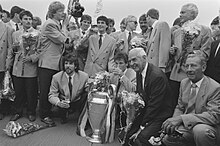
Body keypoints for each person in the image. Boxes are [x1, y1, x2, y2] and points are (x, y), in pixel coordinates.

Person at [162, 50, 220, 146]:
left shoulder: (215, 88)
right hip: (188, 126)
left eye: (193, 66)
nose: (189, 69)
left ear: (203, 67)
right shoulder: (184, 83)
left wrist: (182, 118)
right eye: (186, 66)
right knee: (168, 137)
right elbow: (180, 107)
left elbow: (213, 116)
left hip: (208, 127)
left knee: (200, 131)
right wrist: (173, 121)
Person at [123, 47, 174, 146]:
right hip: (148, 112)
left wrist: (141, 127)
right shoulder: (139, 71)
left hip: (160, 115)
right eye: (130, 61)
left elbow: (154, 106)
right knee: (128, 134)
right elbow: (140, 97)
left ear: (144, 57)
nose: (132, 64)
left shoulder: (156, 76)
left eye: (134, 59)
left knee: (140, 138)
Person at [169, 3, 212, 107]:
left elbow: (205, 54)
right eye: (180, 12)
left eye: (183, 12)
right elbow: (174, 56)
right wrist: (173, 52)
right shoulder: (177, 32)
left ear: (192, 14)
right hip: (176, 74)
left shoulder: (204, 31)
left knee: (189, 104)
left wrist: (192, 52)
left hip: (192, 74)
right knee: (174, 102)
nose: (180, 15)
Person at [38, 1, 69, 125]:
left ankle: (49, 111)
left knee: (53, 89)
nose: (64, 13)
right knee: (45, 90)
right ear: (53, 13)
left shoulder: (56, 24)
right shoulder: (50, 24)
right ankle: (44, 114)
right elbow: (63, 39)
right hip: (47, 63)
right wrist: (65, 25)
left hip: (54, 63)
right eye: (61, 11)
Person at [7, 10, 39, 122]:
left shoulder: (37, 34)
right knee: (19, 92)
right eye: (25, 19)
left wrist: (32, 58)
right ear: (21, 20)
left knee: (31, 92)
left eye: (30, 19)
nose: (28, 21)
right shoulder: (15, 34)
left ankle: (31, 112)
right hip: (17, 67)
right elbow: (11, 50)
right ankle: (17, 111)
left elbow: (41, 51)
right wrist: (8, 65)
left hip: (31, 67)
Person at [48, 53, 88, 124]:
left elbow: (88, 89)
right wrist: (58, 103)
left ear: (75, 66)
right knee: (59, 104)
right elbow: (51, 95)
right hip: (64, 100)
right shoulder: (56, 77)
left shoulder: (84, 76)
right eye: (66, 63)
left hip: (77, 100)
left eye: (71, 64)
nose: (68, 66)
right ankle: (63, 115)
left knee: (86, 95)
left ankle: (83, 119)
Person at [145, 8, 171, 72]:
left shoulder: (162, 25)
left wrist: (162, 66)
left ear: (148, 17)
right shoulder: (151, 30)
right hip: (151, 65)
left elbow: (164, 46)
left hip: (157, 66)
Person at [0, 5, 13, 120]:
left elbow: (10, 48)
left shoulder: (7, 28)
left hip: (2, 62)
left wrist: (8, 63)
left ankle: (2, 110)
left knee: (3, 87)